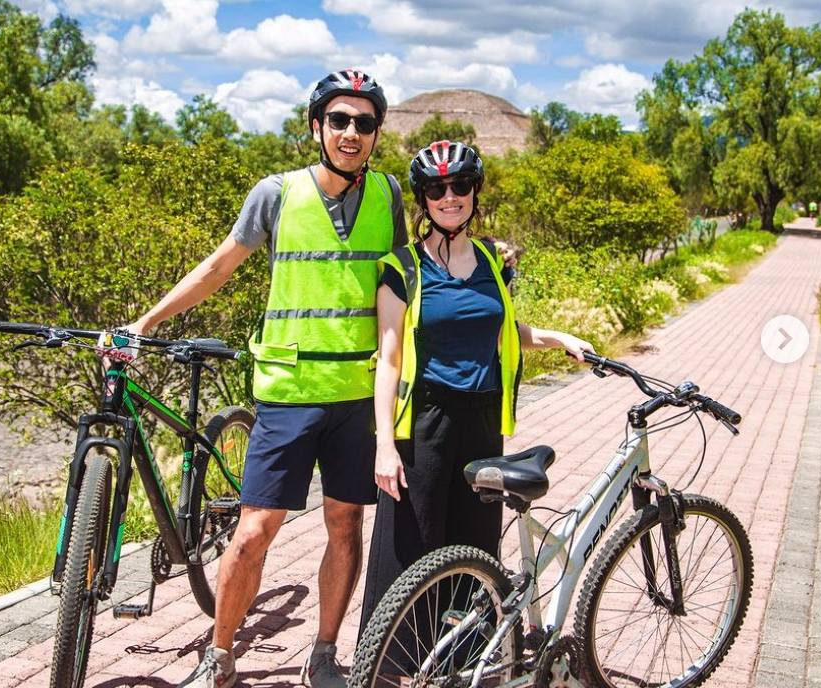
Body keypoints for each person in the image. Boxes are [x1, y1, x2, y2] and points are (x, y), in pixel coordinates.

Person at [127, 69, 408, 688]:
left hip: (358, 397)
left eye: (364, 122)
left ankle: (326, 652)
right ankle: (220, 655)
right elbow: (219, 265)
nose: (351, 132)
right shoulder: (276, 193)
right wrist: (147, 321)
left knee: (345, 525)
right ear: (317, 127)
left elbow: (409, 284)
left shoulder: (389, 198)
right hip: (286, 394)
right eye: (339, 120)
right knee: (254, 531)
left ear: (376, 133)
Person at [359, 140, 594, 638]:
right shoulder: (401, 268)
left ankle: (464, 654)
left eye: (460, 186)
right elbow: (389, 358)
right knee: (414, 544)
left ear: (474, 192)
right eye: (437, 188)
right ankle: (397, 660)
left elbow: (502, 330)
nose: (450, 197)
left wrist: (559, 338)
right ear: (423, 199)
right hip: (424, 423)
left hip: (484, 420)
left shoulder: (494, 261)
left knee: (475, 542)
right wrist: (383, 444)